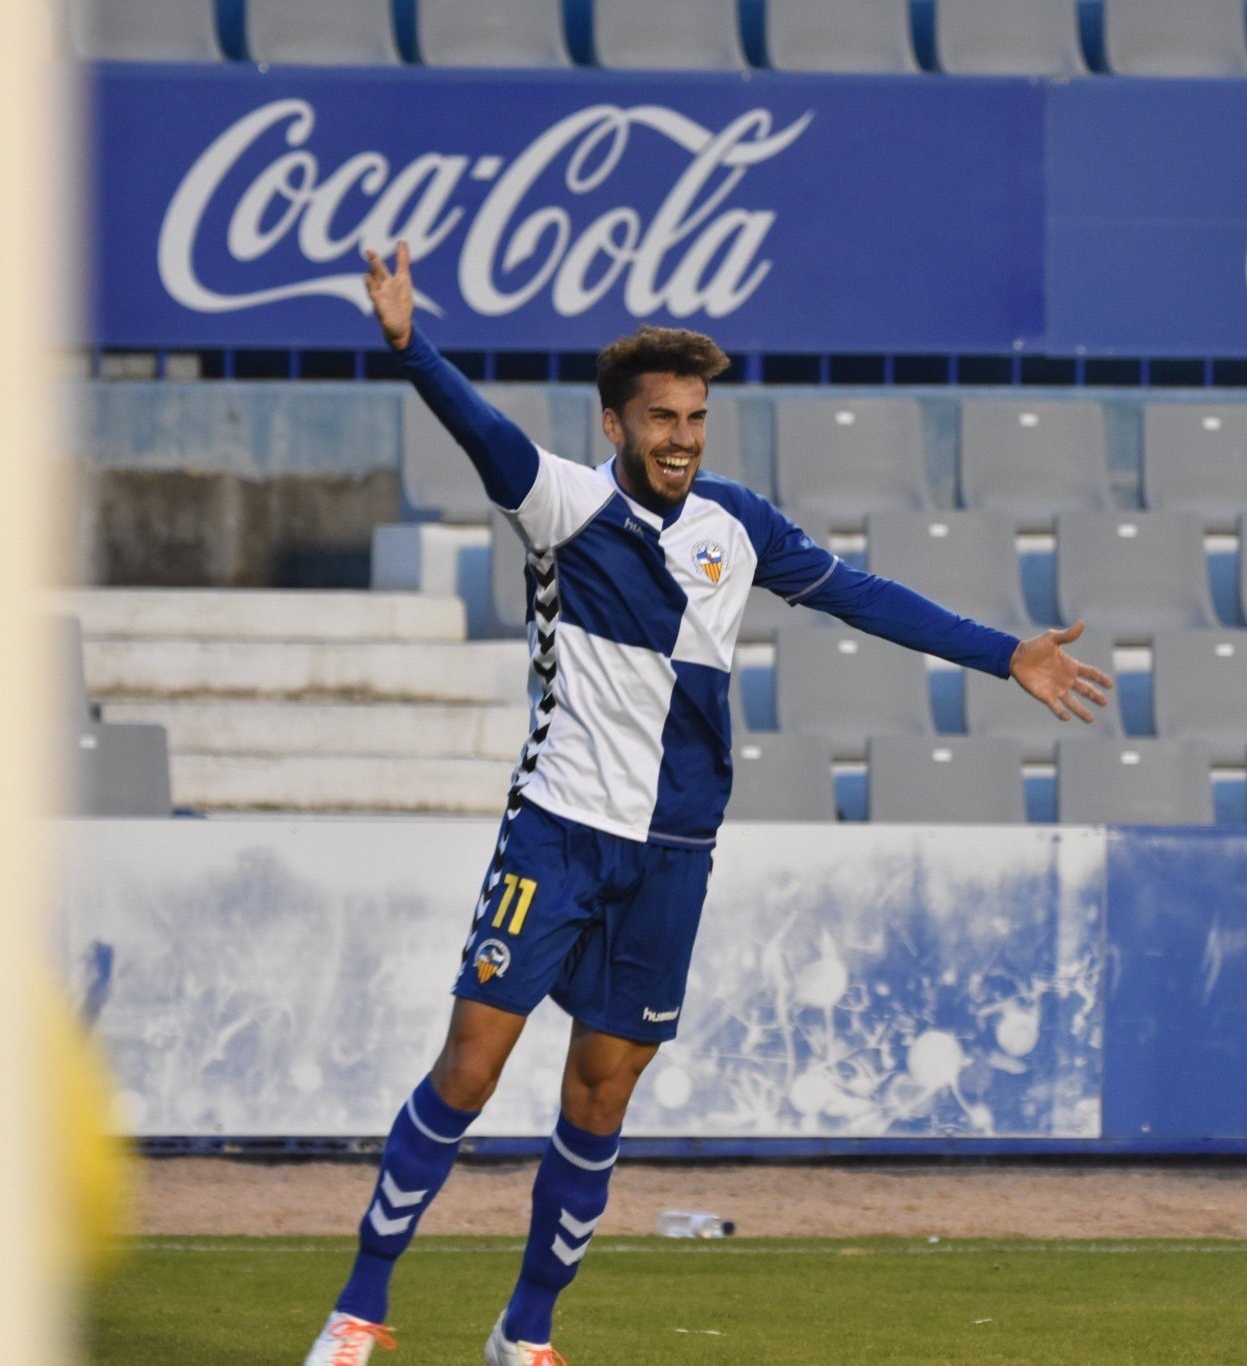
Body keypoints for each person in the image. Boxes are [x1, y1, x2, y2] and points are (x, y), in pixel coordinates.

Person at [303, 243, 1115, 1366]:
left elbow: (862, 597)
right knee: (470, 1067)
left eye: (693, 416)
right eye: (659, 418)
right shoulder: (564, 506)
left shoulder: (738, 526)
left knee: (599, 1098)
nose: (679, 436)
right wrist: (406, 345)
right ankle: (357, 1311)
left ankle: (523, 1334)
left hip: (673, 856)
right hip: (560, 828)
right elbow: (482, 433)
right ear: (613, 425)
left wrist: (1001, 653)